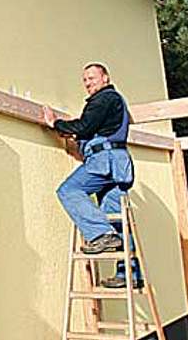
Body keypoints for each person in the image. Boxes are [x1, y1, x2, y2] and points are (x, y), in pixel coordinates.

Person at [42, 63, 142, 288]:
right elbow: (94, 130)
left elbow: (85, 126)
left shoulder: (104, 98)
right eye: (85, 80)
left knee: (69, 190)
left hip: (104, 161)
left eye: (92, 78)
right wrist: (76, 137)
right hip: (117, 166)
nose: (88, 83)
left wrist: (56, 123)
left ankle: (101, 234)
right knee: (116, 218)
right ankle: (129, 275)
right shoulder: (115, 102)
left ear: (105, 78)